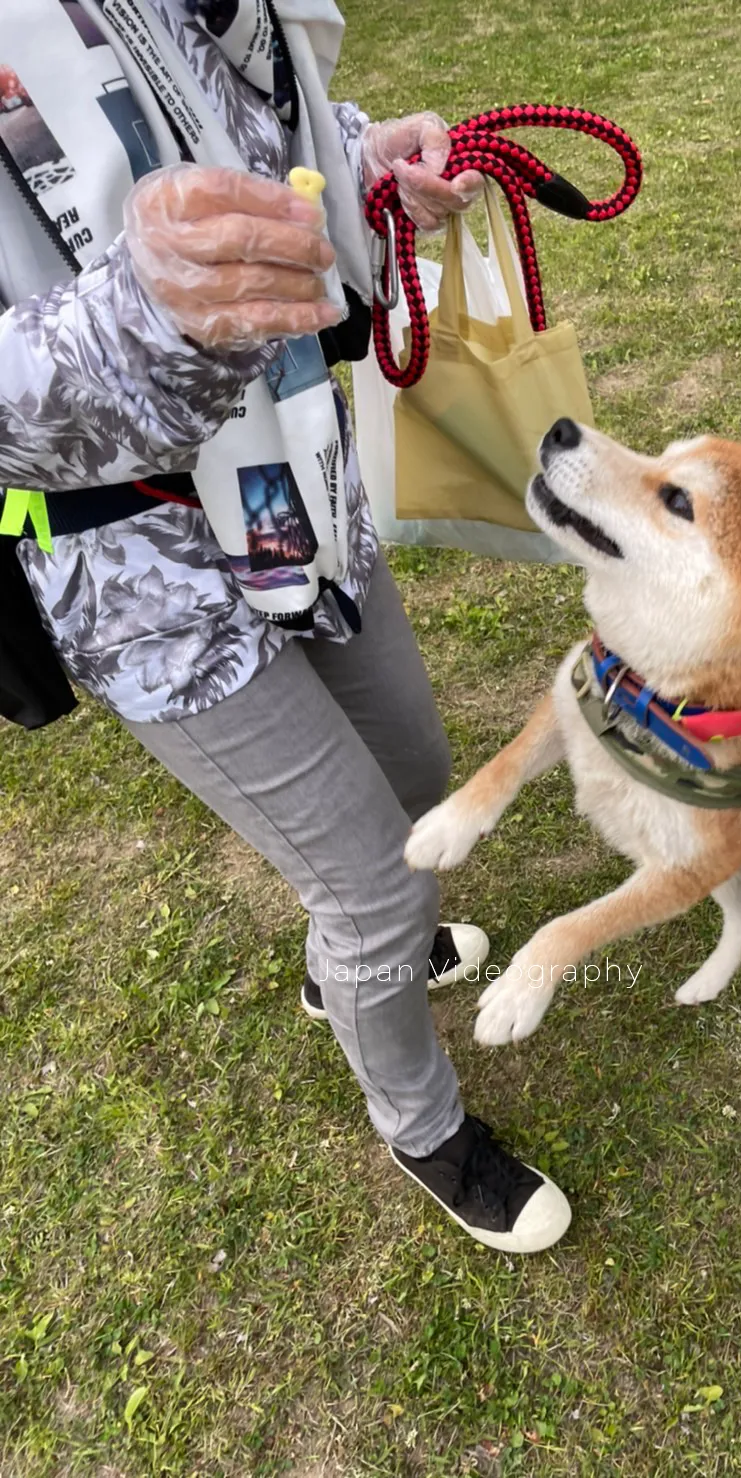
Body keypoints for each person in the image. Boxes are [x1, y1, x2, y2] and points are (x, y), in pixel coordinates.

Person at [0, 0, 571, 1255]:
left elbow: (228, 128)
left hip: (293, 484)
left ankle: (342, 977)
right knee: (371, 882)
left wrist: (362, 173)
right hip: (136, 568)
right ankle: (423, 1126)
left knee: (417, 775)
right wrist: (153, 309)